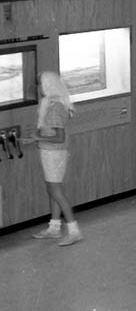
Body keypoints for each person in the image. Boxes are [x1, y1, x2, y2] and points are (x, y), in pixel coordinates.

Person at [25, 72, 82, 246]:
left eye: (40, 84)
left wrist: (37, 138)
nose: (38, 88)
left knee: (56, 192)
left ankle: (74, 230)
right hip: (51, 153)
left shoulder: (55, 107)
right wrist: (35, 138)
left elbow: (59, 137)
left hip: (54, 154)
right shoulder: (51, 104)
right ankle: (54, 227)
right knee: (52, 191)